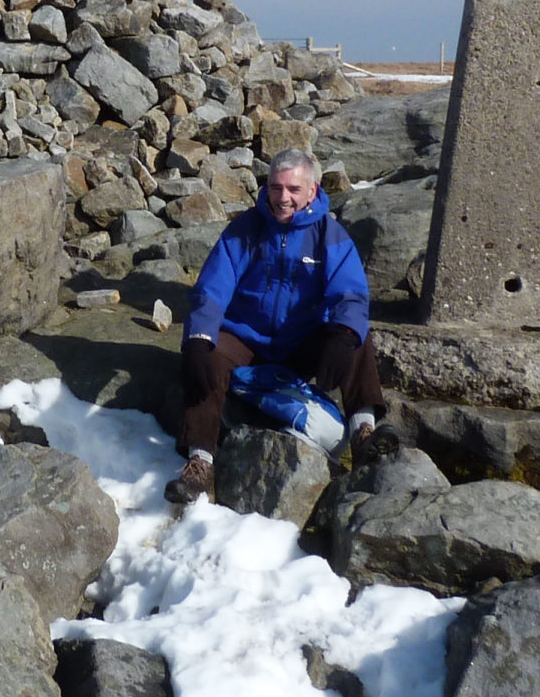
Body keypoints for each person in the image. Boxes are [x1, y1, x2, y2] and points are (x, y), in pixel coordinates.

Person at [166, 148, 393, 505]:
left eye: (293, 189)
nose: (283, 197)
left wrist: (341, 335)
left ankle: (363, 433)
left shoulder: (329, 235)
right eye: (276, 187)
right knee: (204, 355)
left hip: (300, 341)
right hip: (246, 339)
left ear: (312, 190)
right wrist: (198, 338)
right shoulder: (243, 230)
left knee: (357, 336)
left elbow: (350, 294)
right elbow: (211, 290)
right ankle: (200, 463)